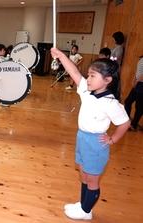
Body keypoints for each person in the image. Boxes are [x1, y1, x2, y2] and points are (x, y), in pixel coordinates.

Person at [51, 47, 130, 220]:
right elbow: (74, 72)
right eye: (89, 74)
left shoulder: (111, 103)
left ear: (107, 80)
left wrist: (112, 139)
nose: (88, 78)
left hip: (96, 143)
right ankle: (83, 205)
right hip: (82, 138)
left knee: (92, 180)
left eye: (93, 76)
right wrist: (62, 56)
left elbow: (125, 123)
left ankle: (86, 212)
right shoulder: (87, 92)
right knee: (84, 175)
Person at [124, 56, 143, 131]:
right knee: (127, 101)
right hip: (138, 83)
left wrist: (137, 81)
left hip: (141, 85)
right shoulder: (141, 58)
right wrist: (134, 79)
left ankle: (133, 125)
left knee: (139, 107)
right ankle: (127, 121)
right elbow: (139, 70)